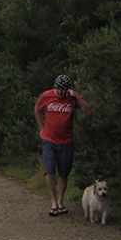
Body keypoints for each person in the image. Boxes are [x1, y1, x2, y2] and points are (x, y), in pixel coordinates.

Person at [34, 74, 91, 216]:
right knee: (49, 169)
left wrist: (76, 97)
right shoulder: (47, 96)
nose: (60, 92)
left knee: (64, 173)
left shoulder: (72, 97)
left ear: (68, 89)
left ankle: (60, 201)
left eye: (63, 90)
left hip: (66, 141)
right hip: (49, 140)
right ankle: (53, 202)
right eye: (58, 89)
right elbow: (37, 108)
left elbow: (88, 111)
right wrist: (41, 128)